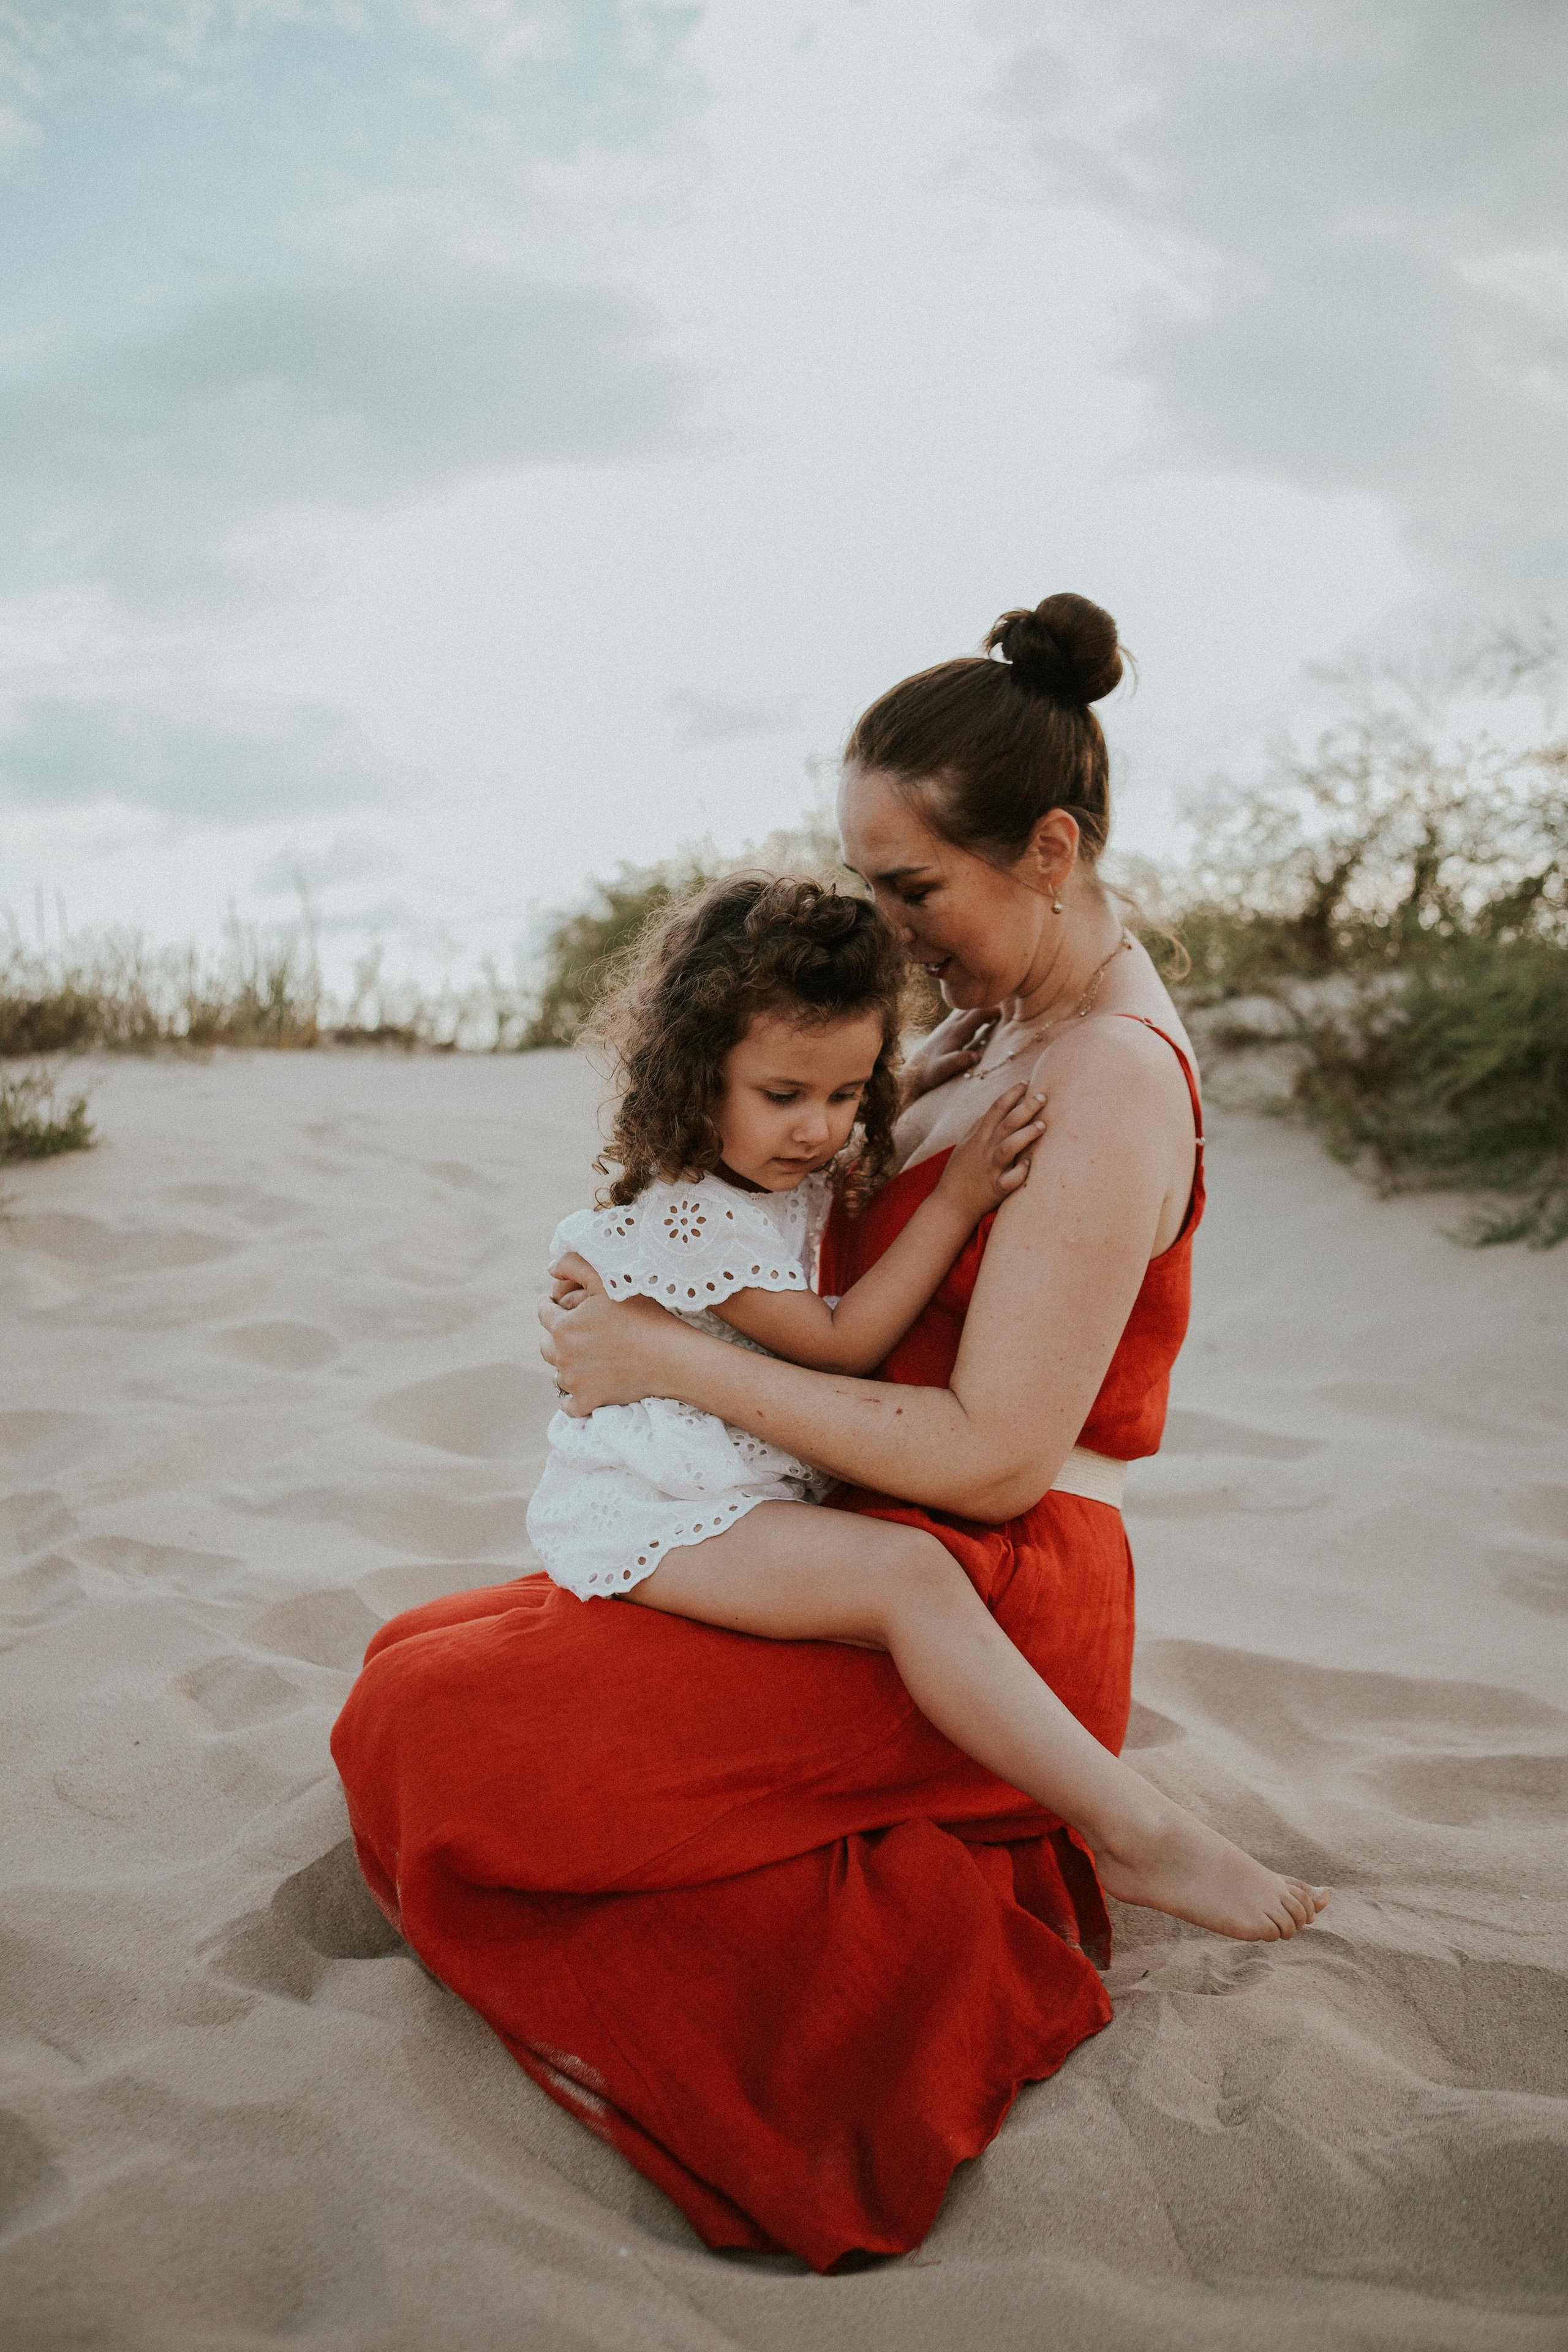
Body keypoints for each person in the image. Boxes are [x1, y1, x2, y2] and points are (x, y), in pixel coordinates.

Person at [331, 590, 1327, 2273]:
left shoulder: (1106, 1086)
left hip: (980, 1575)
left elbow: (997, 1458)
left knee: (450, 1734)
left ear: (1052, 849)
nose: (886, 923)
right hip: (837, 1531)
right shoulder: (975, 1029)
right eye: (864, 879)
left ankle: (1049, 1851)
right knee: (416, 1666)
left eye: (912, 886)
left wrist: (663, 1359)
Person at [530, 869, 1325, 1943]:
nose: (820, 1129)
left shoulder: (777, 1160)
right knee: (910, 1578)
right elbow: (845, 1340)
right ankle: (1132, 1826)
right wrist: (954, 1197)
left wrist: (901, 1082)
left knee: (911, 1580)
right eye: (785, 1096)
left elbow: (830, 1162)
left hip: (761, 1503)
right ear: (695, 1074)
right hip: (665, 1514)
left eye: (846, 1095)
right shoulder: (693, 1219)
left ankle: (1138, 1833)